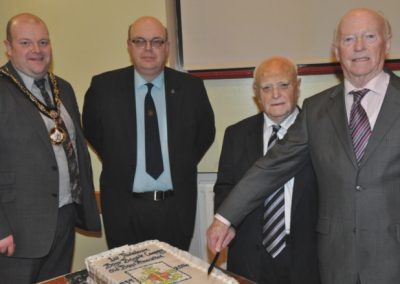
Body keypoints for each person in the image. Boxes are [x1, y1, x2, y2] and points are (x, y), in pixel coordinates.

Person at [208, 8, 397, 284]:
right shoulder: (316, 110)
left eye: (369, 36)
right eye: (348, 40)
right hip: (335, 265)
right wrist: (224, 218)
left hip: (392, 260)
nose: (358, 47)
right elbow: (272, 166)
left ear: (387, 43)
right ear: (336, 50)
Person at [83, 16, 215, 251]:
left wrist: (178, 161)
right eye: (140, 41)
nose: (148, 48)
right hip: (124, 209)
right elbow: (94, 133)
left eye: (156, 41)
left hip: (175, 209)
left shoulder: (191, 88)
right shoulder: (103, 88)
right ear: (129, 45)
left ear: (167, 47)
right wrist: (123, 160)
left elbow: (205, 134)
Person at [0, 13, 101, 283]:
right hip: (15, 230)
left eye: (43, 42)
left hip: (63, 219)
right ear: (8, 47)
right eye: (26, 42)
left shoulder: (63, 89)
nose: (37, 50)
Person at [214, 57, 320, 284]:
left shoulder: (320, 132)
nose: (275, 94)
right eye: (267, 88)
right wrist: (229, 223)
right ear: (256, 93)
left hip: (306, 257)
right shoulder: (236, 135)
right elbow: (225, 188)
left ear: (297, 86)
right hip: (249, 256)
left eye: (283, 85)